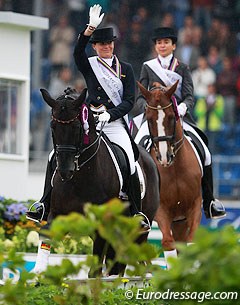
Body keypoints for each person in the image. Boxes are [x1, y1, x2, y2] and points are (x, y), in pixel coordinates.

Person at [26, 4, 150, 232]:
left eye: (110, 43)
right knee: (55, 154)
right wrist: (90, 28)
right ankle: (44, 203)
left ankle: (135, 211)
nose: (107, 47)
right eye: (102, 44)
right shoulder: (90, 66)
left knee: (130, 160)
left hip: (114, 123)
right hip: (89, 121)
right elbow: (76, 53)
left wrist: (110, 114)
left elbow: (130, 101)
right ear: (95, 47)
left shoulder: (127, 69)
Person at [134, 27, 226, 219]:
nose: (162, 45)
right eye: (159, 43)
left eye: (166, 42)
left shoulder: (182, 67)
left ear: (173, 46)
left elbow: (189, 95)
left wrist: (183, 107)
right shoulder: (148, 67)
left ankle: (209, 201)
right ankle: (135, 202)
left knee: (205, 152)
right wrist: (147, 109)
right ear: (156, 46)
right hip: (154, 118)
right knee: (136, 149)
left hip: (176, 118)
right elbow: (140, 98)